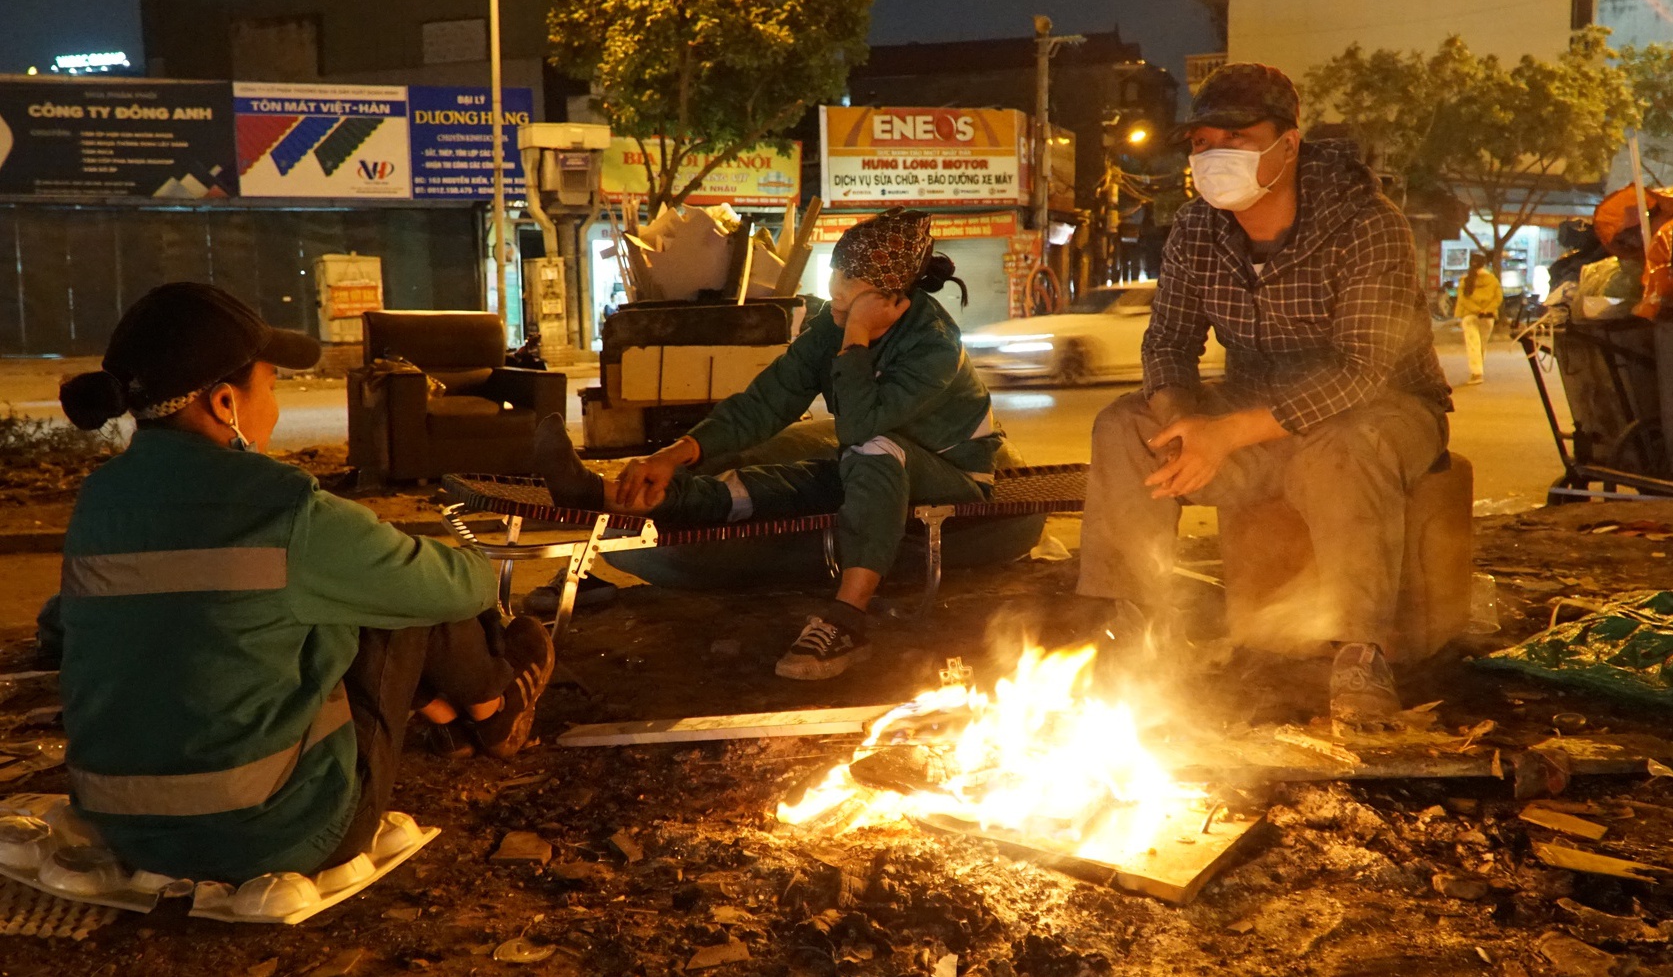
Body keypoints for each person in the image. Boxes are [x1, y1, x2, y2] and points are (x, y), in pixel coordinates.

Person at [40, 282, 556, 885]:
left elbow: (63, 623)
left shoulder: (99, 503)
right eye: (274, 387)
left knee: (326, 596)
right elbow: (462, 586)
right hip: (282, 833)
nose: (277, 409)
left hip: (125, 830)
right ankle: (493, 702)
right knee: (397, 590)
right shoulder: (276, 506)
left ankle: (461, 714)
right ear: (225, 403)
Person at [1076, 63, 1453, 729]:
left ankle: (1360, 652)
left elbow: (1362, 370)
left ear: (1288, 143)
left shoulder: (1367, 223)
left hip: (1385, 411)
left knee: (1346, 442)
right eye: (1200, 142)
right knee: (1123, 426)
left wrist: (1226, 434)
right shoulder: (1196, 227)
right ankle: (1133, 626)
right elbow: (1166, 344)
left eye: (1236, 137)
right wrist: (1184, 422)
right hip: (1254, 413)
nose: (1213, 155)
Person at [537, 209, 1004, 682]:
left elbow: (862, 427)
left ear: (891, 295)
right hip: (873, 468)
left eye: (855, 282)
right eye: (838, 273)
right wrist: (672, 455)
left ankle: (848, 619)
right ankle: (604, 495)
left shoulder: (934, 344)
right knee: (771, 483)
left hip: (955, 476)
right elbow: (765, 403)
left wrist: (858, 337)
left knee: (874, 449)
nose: (839, 289)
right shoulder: (830, 324)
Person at [1454, 252, 1503, 384]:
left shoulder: (1465, 280)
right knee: (1481, 345)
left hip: (1470, 316)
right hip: (1488, 317)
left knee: (1473, 345)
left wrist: (1477, 310)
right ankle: (1478, 371)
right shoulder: (1493, 279)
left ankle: (1476, 373)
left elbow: (1463, 300)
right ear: (1485, 263)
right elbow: (1498, 298)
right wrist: (1487, 310)